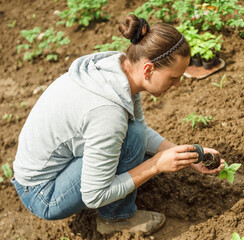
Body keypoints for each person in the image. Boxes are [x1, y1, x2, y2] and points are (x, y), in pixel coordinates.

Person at [12, 14, 224, 235]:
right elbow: (93, 195)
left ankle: (115, 196)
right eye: (173, 78)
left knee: (134, 135)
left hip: (43, 170)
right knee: (132, 141)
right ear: (148, 70)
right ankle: (115, 219)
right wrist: (156, 165)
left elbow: (138, 130)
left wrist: (189, 155)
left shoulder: (118, 71)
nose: (178, 84)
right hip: (43, 193)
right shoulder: (107, 112)